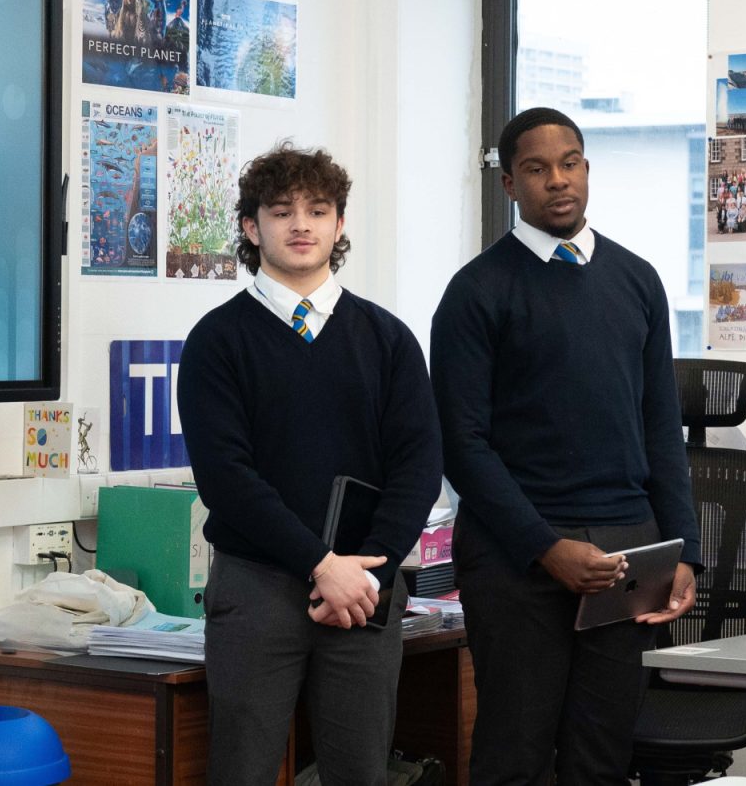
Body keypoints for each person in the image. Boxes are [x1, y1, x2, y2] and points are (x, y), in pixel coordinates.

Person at [431, 107, 700, 784]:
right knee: (515, 753)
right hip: (518, 555)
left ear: (586, 168)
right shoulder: (475, 293)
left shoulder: (637, 281)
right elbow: (461, 446)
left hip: (626, 550)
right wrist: (547, 547)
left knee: (603, 754)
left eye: (570, 162)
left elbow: (660, 429)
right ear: (510, 185)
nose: (558, 180)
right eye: (536, 168)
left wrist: (684, 551)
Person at [177, 142, 442, 785]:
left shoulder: (386, 339)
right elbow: (227, 480)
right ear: (250, 227)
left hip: (365, 589)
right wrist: (321, 565)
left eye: (318, 210)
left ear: (339, 225)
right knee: (241, 771)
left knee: (360, 773)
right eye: (281, 211)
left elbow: (418, 464)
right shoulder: (217, 340)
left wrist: (367, 569)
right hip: (258, 586)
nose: (301, 224)